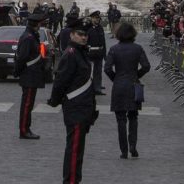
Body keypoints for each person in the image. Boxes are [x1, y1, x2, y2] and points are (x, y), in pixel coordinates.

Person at [47, 18, 98, 184]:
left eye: (86, 35)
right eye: (80, 34)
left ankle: (74, 179)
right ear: (72, 34)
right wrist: (54, 100)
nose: (84, 37)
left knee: (78, 149)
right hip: (76, 108)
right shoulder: (71, 54)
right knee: (74, 149)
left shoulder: (80, 52)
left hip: (83, 108)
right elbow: (61, 80)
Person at [104, 22, 150, 158]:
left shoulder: (113, 49)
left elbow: (107, 69)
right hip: (133, 84)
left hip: (119, 85)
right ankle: (133, 145)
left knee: (120, 119)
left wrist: (116, 78)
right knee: (133, 117)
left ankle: (123, 150)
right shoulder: (138, 48)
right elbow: (146, 66)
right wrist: (136, 76)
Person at [15, 13, 48, 140]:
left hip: (32, 75)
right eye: (40, 23)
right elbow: (22, 58)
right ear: (36, 24)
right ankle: (24, 130)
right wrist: (18, 72)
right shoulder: (28, 38)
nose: (41, 26)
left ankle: (26, 128)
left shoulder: (31, 36)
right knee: (27, 105)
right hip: (29, 75)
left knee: (29, 104)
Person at [87, 10, 107, 95]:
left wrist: (105, 54)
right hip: (89, 52)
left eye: (98, 18)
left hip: (99, 52)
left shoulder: (100, 28)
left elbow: (103, 42)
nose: (97, 20)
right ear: (91, 18)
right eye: (95, 18)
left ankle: (97, 88)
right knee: (87, 71)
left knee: (98, 71)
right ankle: (87, 88)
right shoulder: (87, 28)